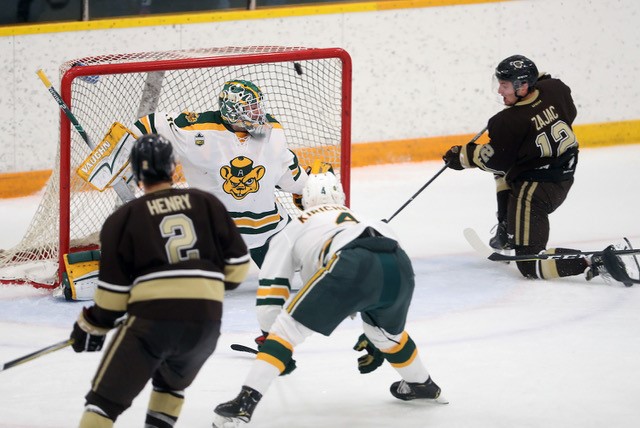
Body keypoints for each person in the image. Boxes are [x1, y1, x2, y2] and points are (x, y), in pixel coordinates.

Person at [212, 162, 447, 427]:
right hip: (399, 266)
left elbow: (272, 287)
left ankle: (244, 403)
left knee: (286, 329)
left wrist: (271, 338)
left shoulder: (294, 226)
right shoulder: (365, 218)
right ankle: (422, 383)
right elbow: (382, 267)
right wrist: (373, 319)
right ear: (341, 197)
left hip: (350, 263)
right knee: (384, 335)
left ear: (304, 200)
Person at [69, 133, 251, 427]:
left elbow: (112, 298)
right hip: (205, 325)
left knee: (104, 404)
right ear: (172, 167)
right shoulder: (206, 203)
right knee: (170, 388)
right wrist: (204, 289)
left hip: (152, 324)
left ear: (135, 173)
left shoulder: (122, 219)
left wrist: (92, 324)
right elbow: (239, 267)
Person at [442, 54, 623, 283]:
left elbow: (494, 159)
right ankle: (508, 229)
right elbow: (567, 110)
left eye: (505, 85)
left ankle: (592, 260)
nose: (499, 91)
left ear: (523, 86)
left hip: (535, 191)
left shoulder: (508, 121)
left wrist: (463, 156)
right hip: (564, 174)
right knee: (507, 168)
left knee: (528, 264)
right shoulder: (556, 89)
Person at [131, 79, 308, 269]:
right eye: (251, 108)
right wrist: (122, 148)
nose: (259, 113)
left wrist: (307, 188)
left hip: (265, 229)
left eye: (258, 106)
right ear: (232, 112)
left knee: (302, 265)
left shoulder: (274, 132)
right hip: (214, 233)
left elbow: (286, 171)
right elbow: (149, 124)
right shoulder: (198, 130)